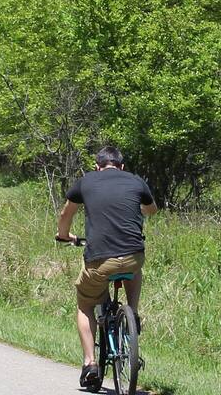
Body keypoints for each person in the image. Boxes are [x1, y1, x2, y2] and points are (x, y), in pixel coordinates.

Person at [55, 146, 158, 391]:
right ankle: (131, 313)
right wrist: (136, 207)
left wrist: (64, 235)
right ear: (121, 166)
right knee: (134, 268)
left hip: (100, 260)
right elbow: (152, 209)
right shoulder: (135, 181)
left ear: (97, 166)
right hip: (134, 255)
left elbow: (66, 213)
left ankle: (90, 363)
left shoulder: (86, 181)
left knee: (85, 303)